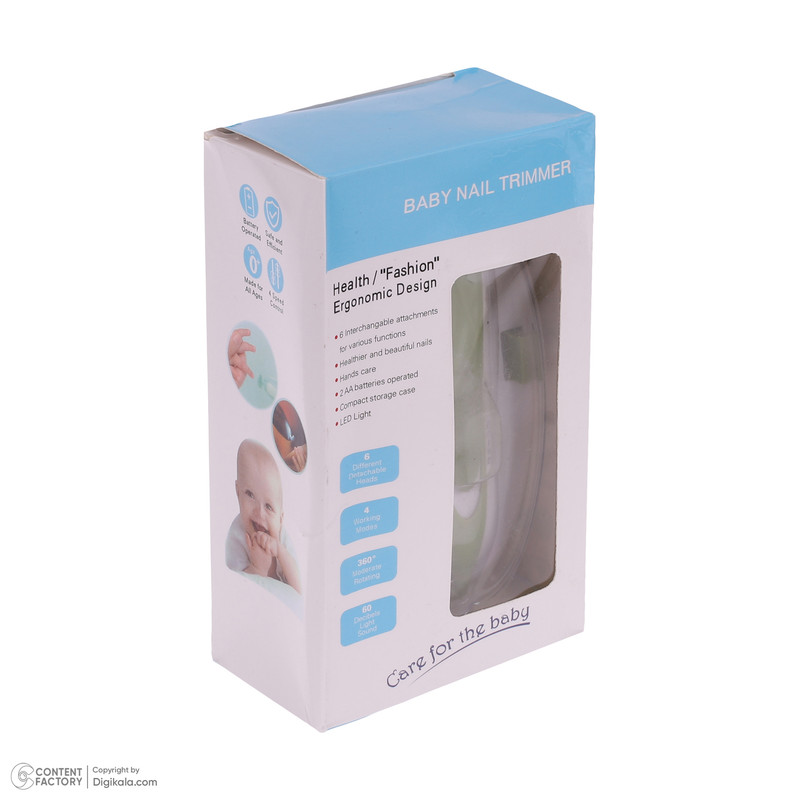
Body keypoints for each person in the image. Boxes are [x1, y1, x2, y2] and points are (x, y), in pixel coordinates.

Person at [226, 439, 301, 593]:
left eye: (268, 506)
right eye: (250, 494)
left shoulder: (282, 538)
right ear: (238, 492)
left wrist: (279, 550)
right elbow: (237, 588)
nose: (259, 513)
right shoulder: (236, 536)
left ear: (280, 519)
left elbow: (299, 588)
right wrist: (258, 569)